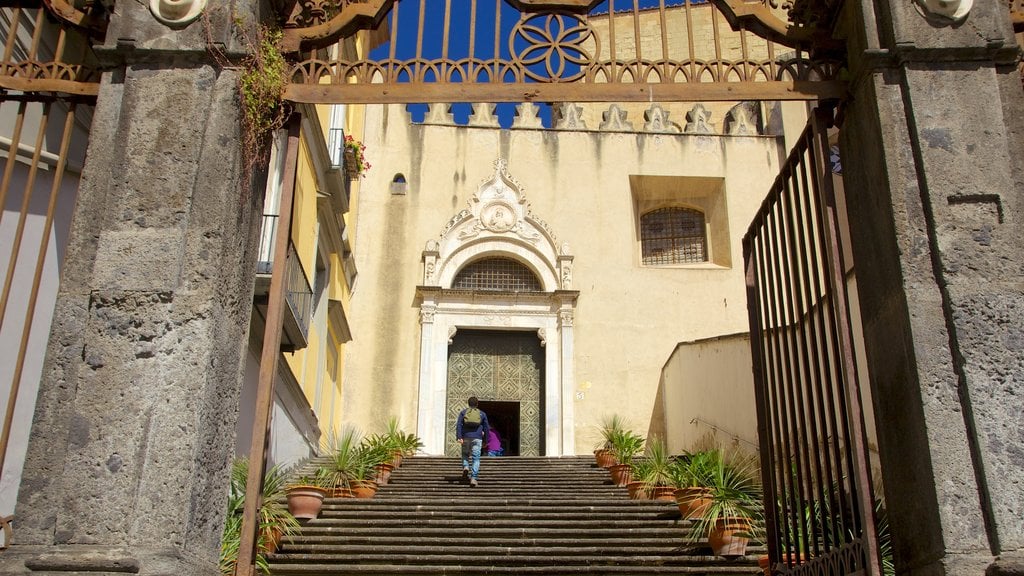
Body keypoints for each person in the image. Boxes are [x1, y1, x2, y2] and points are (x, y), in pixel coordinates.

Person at [456, 396, 489, 487]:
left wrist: (459, 436)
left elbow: (459, 425)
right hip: (477, 438)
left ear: (468, 403)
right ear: (477, 404)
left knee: (465, 454)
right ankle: (473, 478)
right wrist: (486, 440)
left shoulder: (463, 412)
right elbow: (486, 428)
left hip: (466, 437)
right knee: (476, 458)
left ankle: (466, 466)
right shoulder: (482, 414)